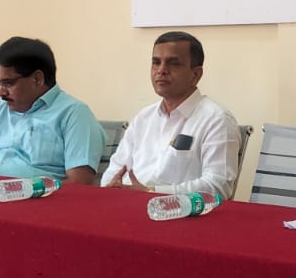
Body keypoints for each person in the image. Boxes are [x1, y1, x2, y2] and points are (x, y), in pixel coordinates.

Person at [100, 31, 241, 199]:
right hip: (126, 205)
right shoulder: (143, 118)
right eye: (156, 62)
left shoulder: (217, 120)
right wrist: (112, 187)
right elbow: (114, 169)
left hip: (178, 211)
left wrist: (152, 193)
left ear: (196, 74)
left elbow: (218, 186)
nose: (161, 70)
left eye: (173, 64)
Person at [0, 36, 103, 184]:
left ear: (37, 79)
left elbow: (79, 184)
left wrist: (25, 192)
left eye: (8, 83)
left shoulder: (74, 114)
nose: (1, 92)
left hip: (38, 198)